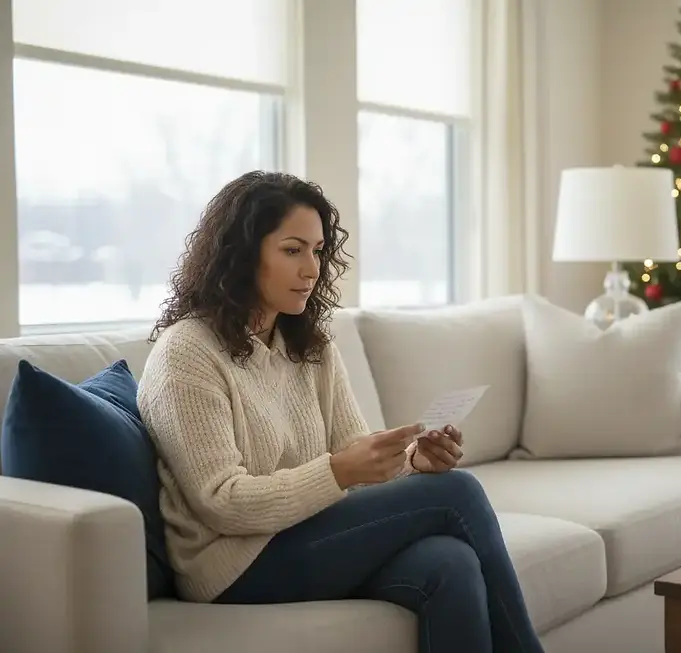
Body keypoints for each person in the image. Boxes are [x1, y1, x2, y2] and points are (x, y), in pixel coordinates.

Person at [136, 171, 545, 653]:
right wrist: (336, 472)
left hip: (307, 534)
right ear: (242, 253)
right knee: (458, 492)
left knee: (448, 563)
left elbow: (354, 454)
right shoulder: (186, 352)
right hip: (232, 564)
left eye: (317, 250)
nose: (311, 268)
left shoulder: (309, 346)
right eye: (293, 250)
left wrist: (411, 461)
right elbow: (220, 501)